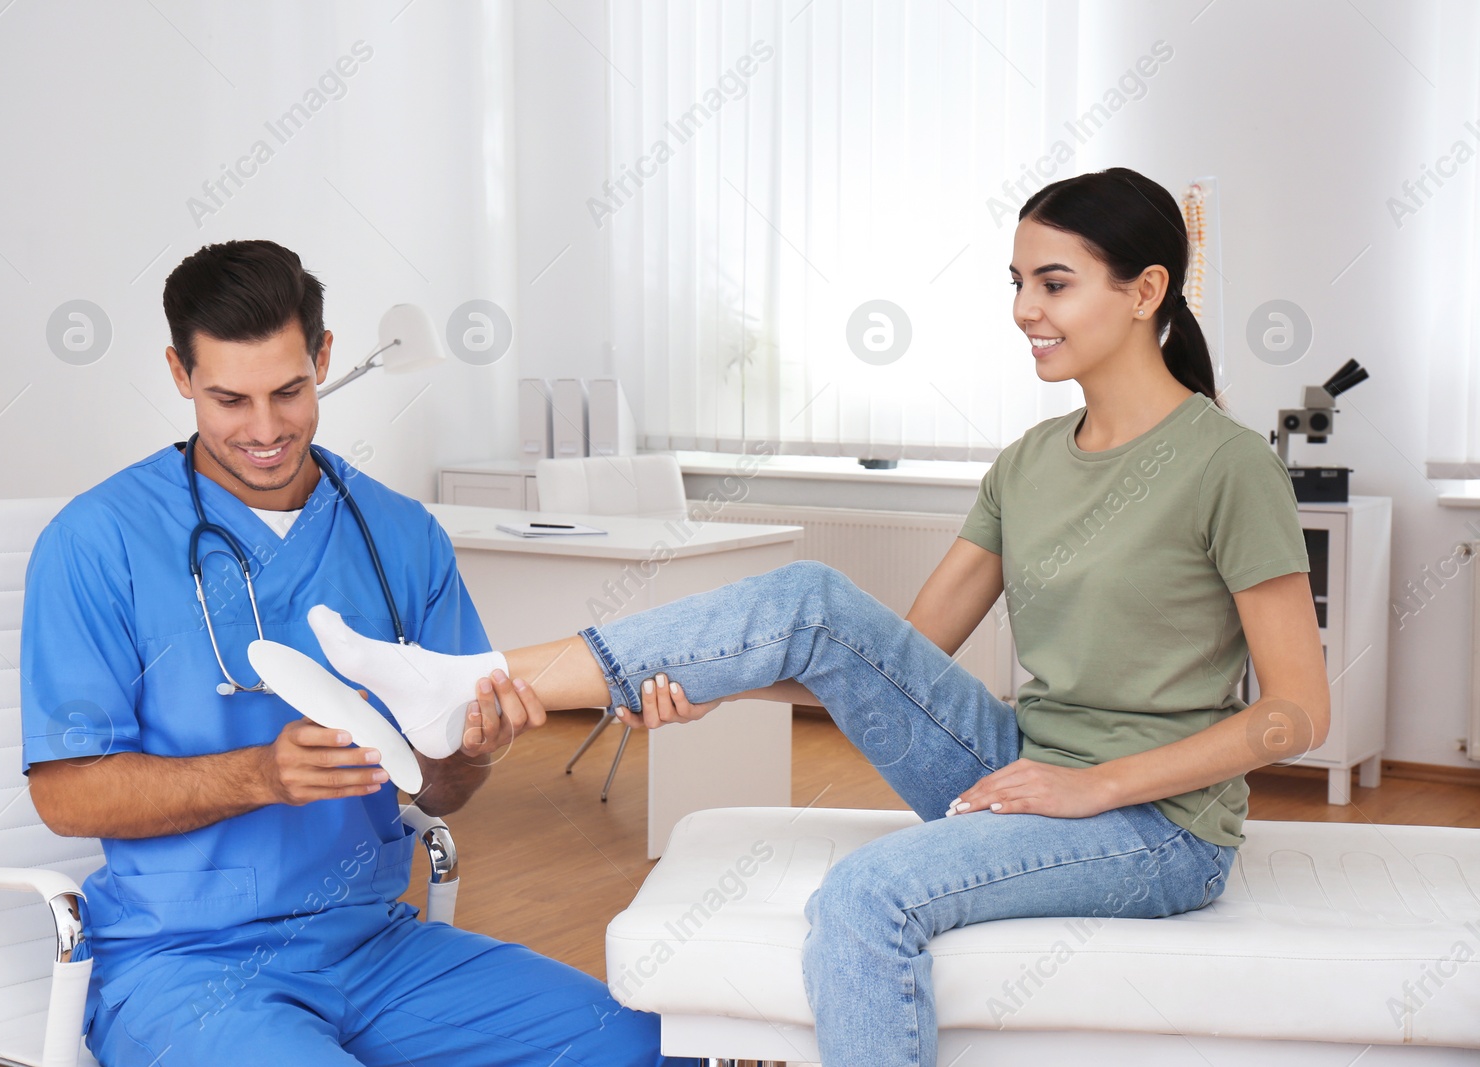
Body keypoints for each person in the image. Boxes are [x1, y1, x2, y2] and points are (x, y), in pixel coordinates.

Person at [297, 169, 1331, 1067]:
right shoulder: (1028, 462)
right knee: (810, 598)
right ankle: (456, 682)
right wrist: (711, 678)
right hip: (1018, 765)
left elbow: (1296, 713)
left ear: (1146, 289)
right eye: (1016, 283)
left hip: (1152, 824)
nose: (1024, 308)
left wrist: (1088, 785)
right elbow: (887, 660)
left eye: (1052, 282)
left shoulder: (1225, 464)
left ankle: (446, 685)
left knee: (867, 894)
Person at [20, 239, 692, 1066]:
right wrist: (259, 776)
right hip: (185, 965)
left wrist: (474, 749)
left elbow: (439, 787)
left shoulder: (400, 535)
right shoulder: (96, 542)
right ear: (178, 374)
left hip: (375, 948)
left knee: (645, 1046)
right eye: (230, 398)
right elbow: (65, 796)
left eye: (291, 391)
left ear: (325, 358)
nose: (265, 430)